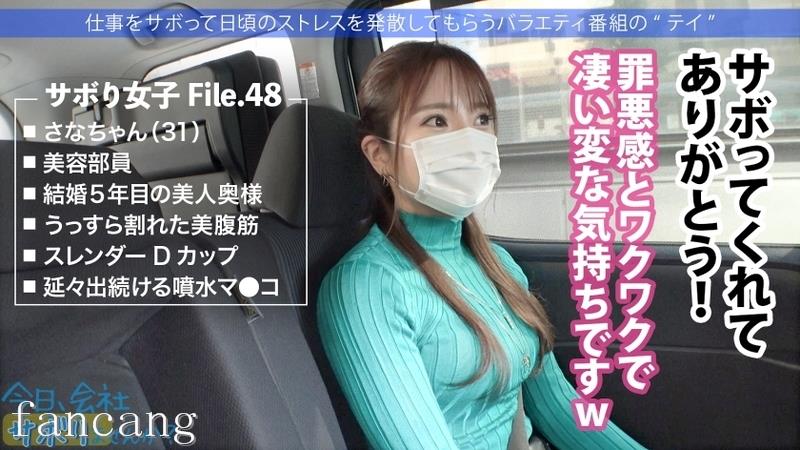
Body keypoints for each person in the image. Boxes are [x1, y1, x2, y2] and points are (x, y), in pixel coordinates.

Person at [316, 41, 646, 450]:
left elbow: (558, 407)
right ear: (379, 154)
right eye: (437, 120)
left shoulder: (498, 264)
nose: (469, 138)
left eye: (482, 118)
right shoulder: (367, 287)